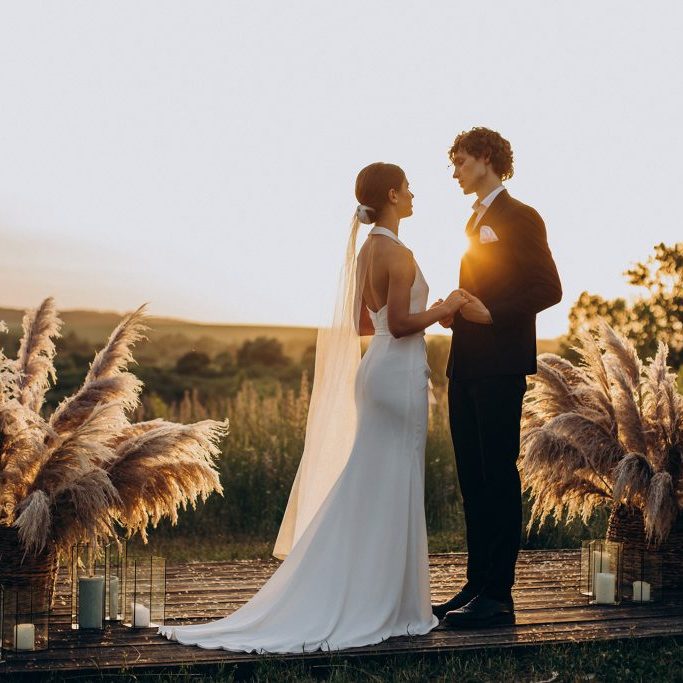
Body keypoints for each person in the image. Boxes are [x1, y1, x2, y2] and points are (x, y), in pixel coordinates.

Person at [159, 162, 469, 653]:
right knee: (393, 483)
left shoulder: (367, 251)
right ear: (392, 194)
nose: (413, 195)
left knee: (370, 480)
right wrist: (446, 307)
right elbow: (406, 323)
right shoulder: (399, 252)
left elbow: (364, 326)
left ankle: (367, 590)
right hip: (399, 375)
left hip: (375, 373)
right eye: (408, 188)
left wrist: (407, 321)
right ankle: (392, 603)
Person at [432, 128, 562, 628]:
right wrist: (458, 307)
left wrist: (493, 314)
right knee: (472, 479)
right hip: (464, 364)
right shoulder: (475, 220)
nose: (456, 172)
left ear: (486, 159)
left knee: (498, 478)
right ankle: (476, 583)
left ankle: (499, 599)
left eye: (462, 162)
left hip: (500, 364)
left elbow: (548, 287)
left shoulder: (521, 216)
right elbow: (483, 283)